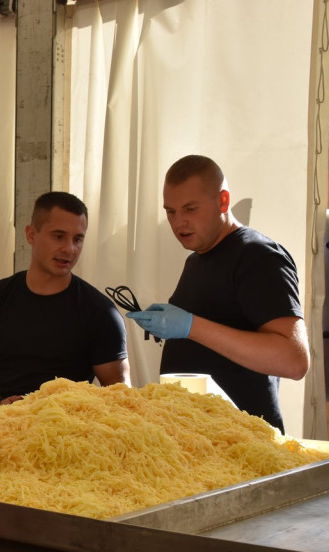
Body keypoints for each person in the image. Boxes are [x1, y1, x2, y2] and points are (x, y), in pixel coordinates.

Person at [127, 155, 308, 433]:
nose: (178, 222)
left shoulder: (257, 255)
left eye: (190, 209)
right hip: (198, 443)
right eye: (171, 211)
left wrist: (190, 326)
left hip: (244, 445)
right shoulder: (197, 259)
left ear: (223, 201)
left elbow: (294, 360)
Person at [0, 192, 130, 414]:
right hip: (1, 431)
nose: (69, 249)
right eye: (58, 236)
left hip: (70, 437)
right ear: (31, 234)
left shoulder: (100, 312)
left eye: (78, 239)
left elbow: (121, 395)